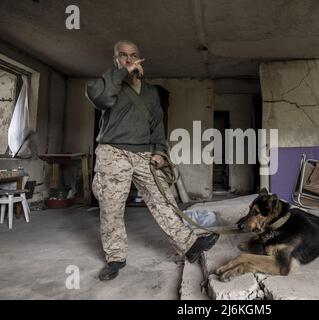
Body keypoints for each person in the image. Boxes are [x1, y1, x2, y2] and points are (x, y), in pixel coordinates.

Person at [85, 40, 219, 281]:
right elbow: (102, 100)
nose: (129, 59)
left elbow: (157, 124)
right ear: (115, 59)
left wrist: (159, 150)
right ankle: (115, 257)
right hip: (113, 153)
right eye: (123, 56)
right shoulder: (106, 82)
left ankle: (190, 246)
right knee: (112, 206)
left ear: (140, 57)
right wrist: (121, 73)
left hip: (144, 153)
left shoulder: (150, 92)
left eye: (133, 55)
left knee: (164, 199)